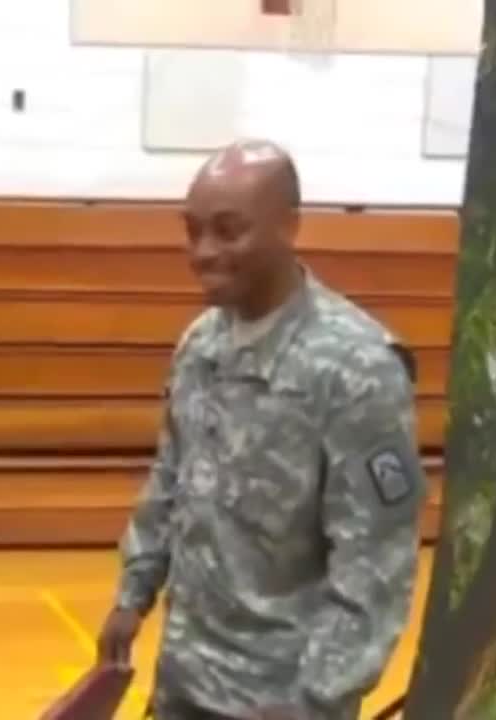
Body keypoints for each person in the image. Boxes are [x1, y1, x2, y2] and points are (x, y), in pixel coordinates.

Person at [96, 139, 426, 720]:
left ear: (289, 226)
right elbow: (171, 481)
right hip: (183, 683)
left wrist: (316, 698)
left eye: (229, 231)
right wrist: (133, 592)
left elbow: (375, 563)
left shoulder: (357, 368)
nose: (204, 251)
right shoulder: (201, 345)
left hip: (280, 700)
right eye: (193, 230)